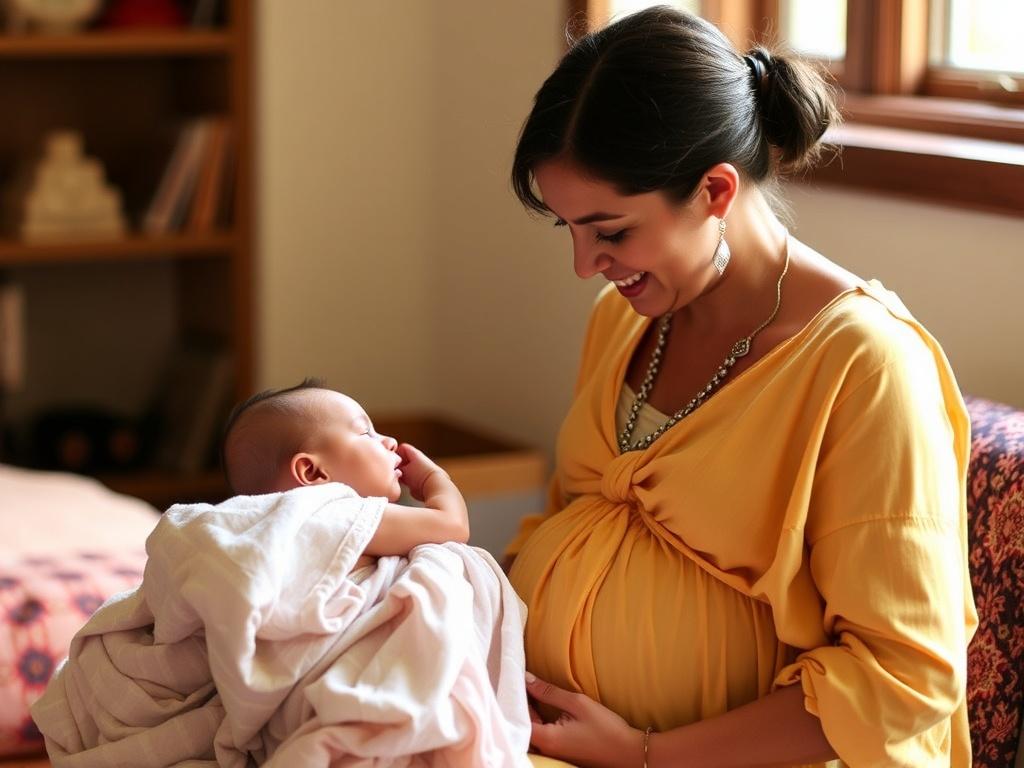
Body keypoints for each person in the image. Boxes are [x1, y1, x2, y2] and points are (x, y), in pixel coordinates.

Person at [505, 6, 977, 767]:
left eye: (612, 231)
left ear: (716, 191)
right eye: (571, 230)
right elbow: (574, 522)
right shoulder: (622, 322)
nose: (585, 265)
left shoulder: (863, 366)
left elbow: (903, 681)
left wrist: (645, 753)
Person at [222, 378, 470, 569]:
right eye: (365, 433)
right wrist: (434, 478)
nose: (391, 441)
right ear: (313, 471)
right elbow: (452, 525)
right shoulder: (335, 514)